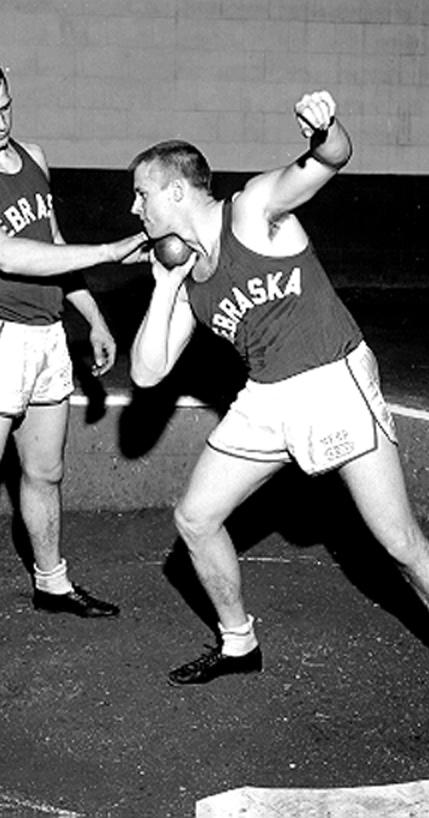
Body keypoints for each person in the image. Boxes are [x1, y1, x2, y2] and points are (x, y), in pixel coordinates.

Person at [129, 90, 429, 686]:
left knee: (400, 543)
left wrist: (326, 128)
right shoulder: (192, 277)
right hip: (266, 398)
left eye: (141, 193)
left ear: (176, 190)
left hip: (330, 379)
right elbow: (146, 372)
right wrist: (165, 284)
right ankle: (239, 642)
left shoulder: (252, 209)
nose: (134, 207)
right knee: (195, 518)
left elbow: (330, 159)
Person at [0, 49, 146, 677]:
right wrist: (110, 250)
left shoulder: (35, 157)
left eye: (5, 107)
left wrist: (93, 316)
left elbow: (48, 247)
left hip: (49, 336)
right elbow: (8, 256)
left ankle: (52, 582)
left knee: (46, 473)